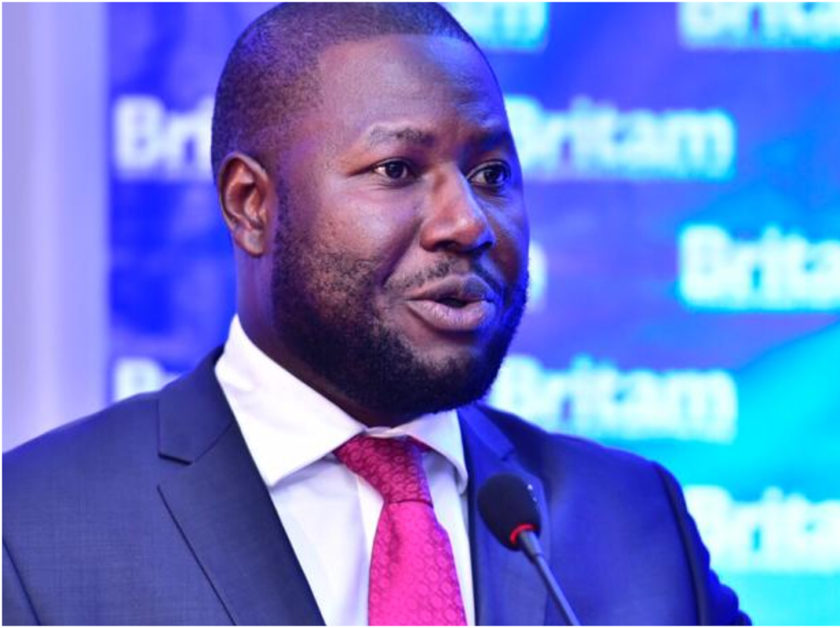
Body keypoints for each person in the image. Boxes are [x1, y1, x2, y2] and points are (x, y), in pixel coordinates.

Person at [3, 3, 748, 625]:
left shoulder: (634, 524)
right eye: (397, 170)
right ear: (251, 205)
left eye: (492, 173)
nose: (469, 222)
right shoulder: (34, 530)